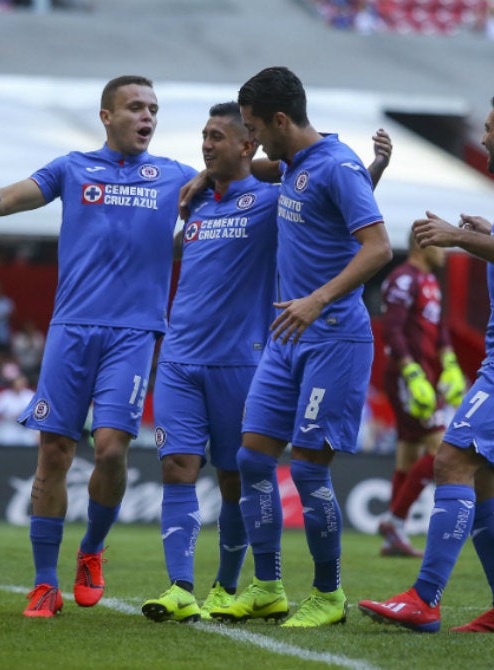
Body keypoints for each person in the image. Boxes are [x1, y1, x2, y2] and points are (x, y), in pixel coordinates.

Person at [0, 74, 198, 618]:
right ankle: (43, 583)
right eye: (135, 107)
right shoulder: (72, 168)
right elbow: (0, 202)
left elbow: (240, 191)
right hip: (71, 329)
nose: (147, 117)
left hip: (133, 333)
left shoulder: (177, 177)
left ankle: (91, 550)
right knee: (54, 452)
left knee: (110, 448)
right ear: (107, 116)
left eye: (153, 108)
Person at [141, 101, 393, 624]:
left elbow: (344, 215)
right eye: (205, 135)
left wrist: (371, 175)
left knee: (283, 469)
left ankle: (322, 593)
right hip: (210, 352)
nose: (209, 144)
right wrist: (199, 179)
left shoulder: (286, 187)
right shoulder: (215, 195)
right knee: (238, 462)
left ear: (260, 134)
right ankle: (249, 585)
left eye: (228, 133)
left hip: (301, 342)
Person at [359, 88, 494, 634]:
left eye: (488, 127)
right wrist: (489, 232)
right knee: (482, 483)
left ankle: (424, 598)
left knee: (451, 462)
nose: (480, 136)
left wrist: (460, 237)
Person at [207, 67, 393, 628]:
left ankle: (329, 594)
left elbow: (379, 248)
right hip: (287, 339)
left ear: (281, 119)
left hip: (333, 337)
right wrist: (204, 177)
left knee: (309, 472)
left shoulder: (335, 166)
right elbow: (255, 166)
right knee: (253, 459)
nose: (252, 137)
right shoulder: (296, 163)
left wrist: (317, 298)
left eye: (256, 125)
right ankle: (266, 587)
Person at [376, 226, 465, 558]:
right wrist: (411, 370)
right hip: (408, 376)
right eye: (439, 245)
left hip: (428, 374)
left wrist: (451, 362)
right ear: (421, 244)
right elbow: (393, 329)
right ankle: (395, 518)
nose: (444, 251)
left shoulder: (429, 281)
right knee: (442, 451)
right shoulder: (403, 279)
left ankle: (392, 536)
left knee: (409, 453)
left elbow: (439, 328)